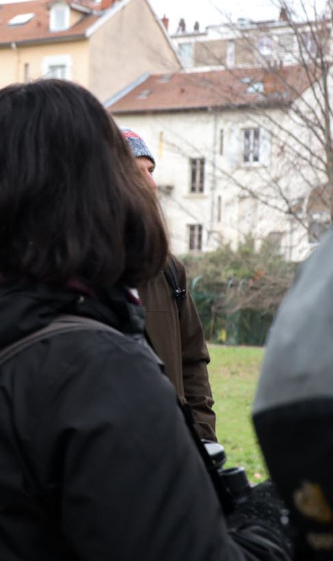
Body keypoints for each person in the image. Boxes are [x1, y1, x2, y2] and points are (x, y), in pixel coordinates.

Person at [0, 80, 291, 560]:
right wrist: (277, 514)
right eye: (124, 170)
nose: (144, 185)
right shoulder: (98, 371)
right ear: (95, 191)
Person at [121, 127, 218, 441]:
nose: (151, 183)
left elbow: (193, 362)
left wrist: (202, 437)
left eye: (151, 171)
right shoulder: (77, 273)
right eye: (137, 172)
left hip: (176, 453)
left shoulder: (168, 269)